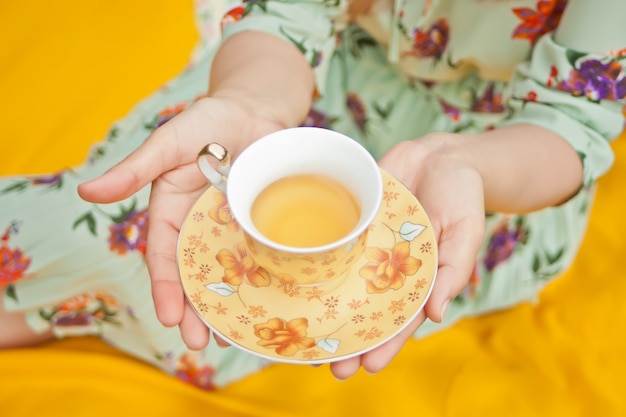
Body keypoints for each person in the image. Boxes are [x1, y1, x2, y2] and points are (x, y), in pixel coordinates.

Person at [1, 0, 625, 389]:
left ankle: (55, 299)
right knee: (123, 223)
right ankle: (59, 294)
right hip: (307, 79)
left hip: (489, 169)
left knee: (263, 317)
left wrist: (467, 164)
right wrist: (252, 102)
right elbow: (289, 17)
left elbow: (571, 123)